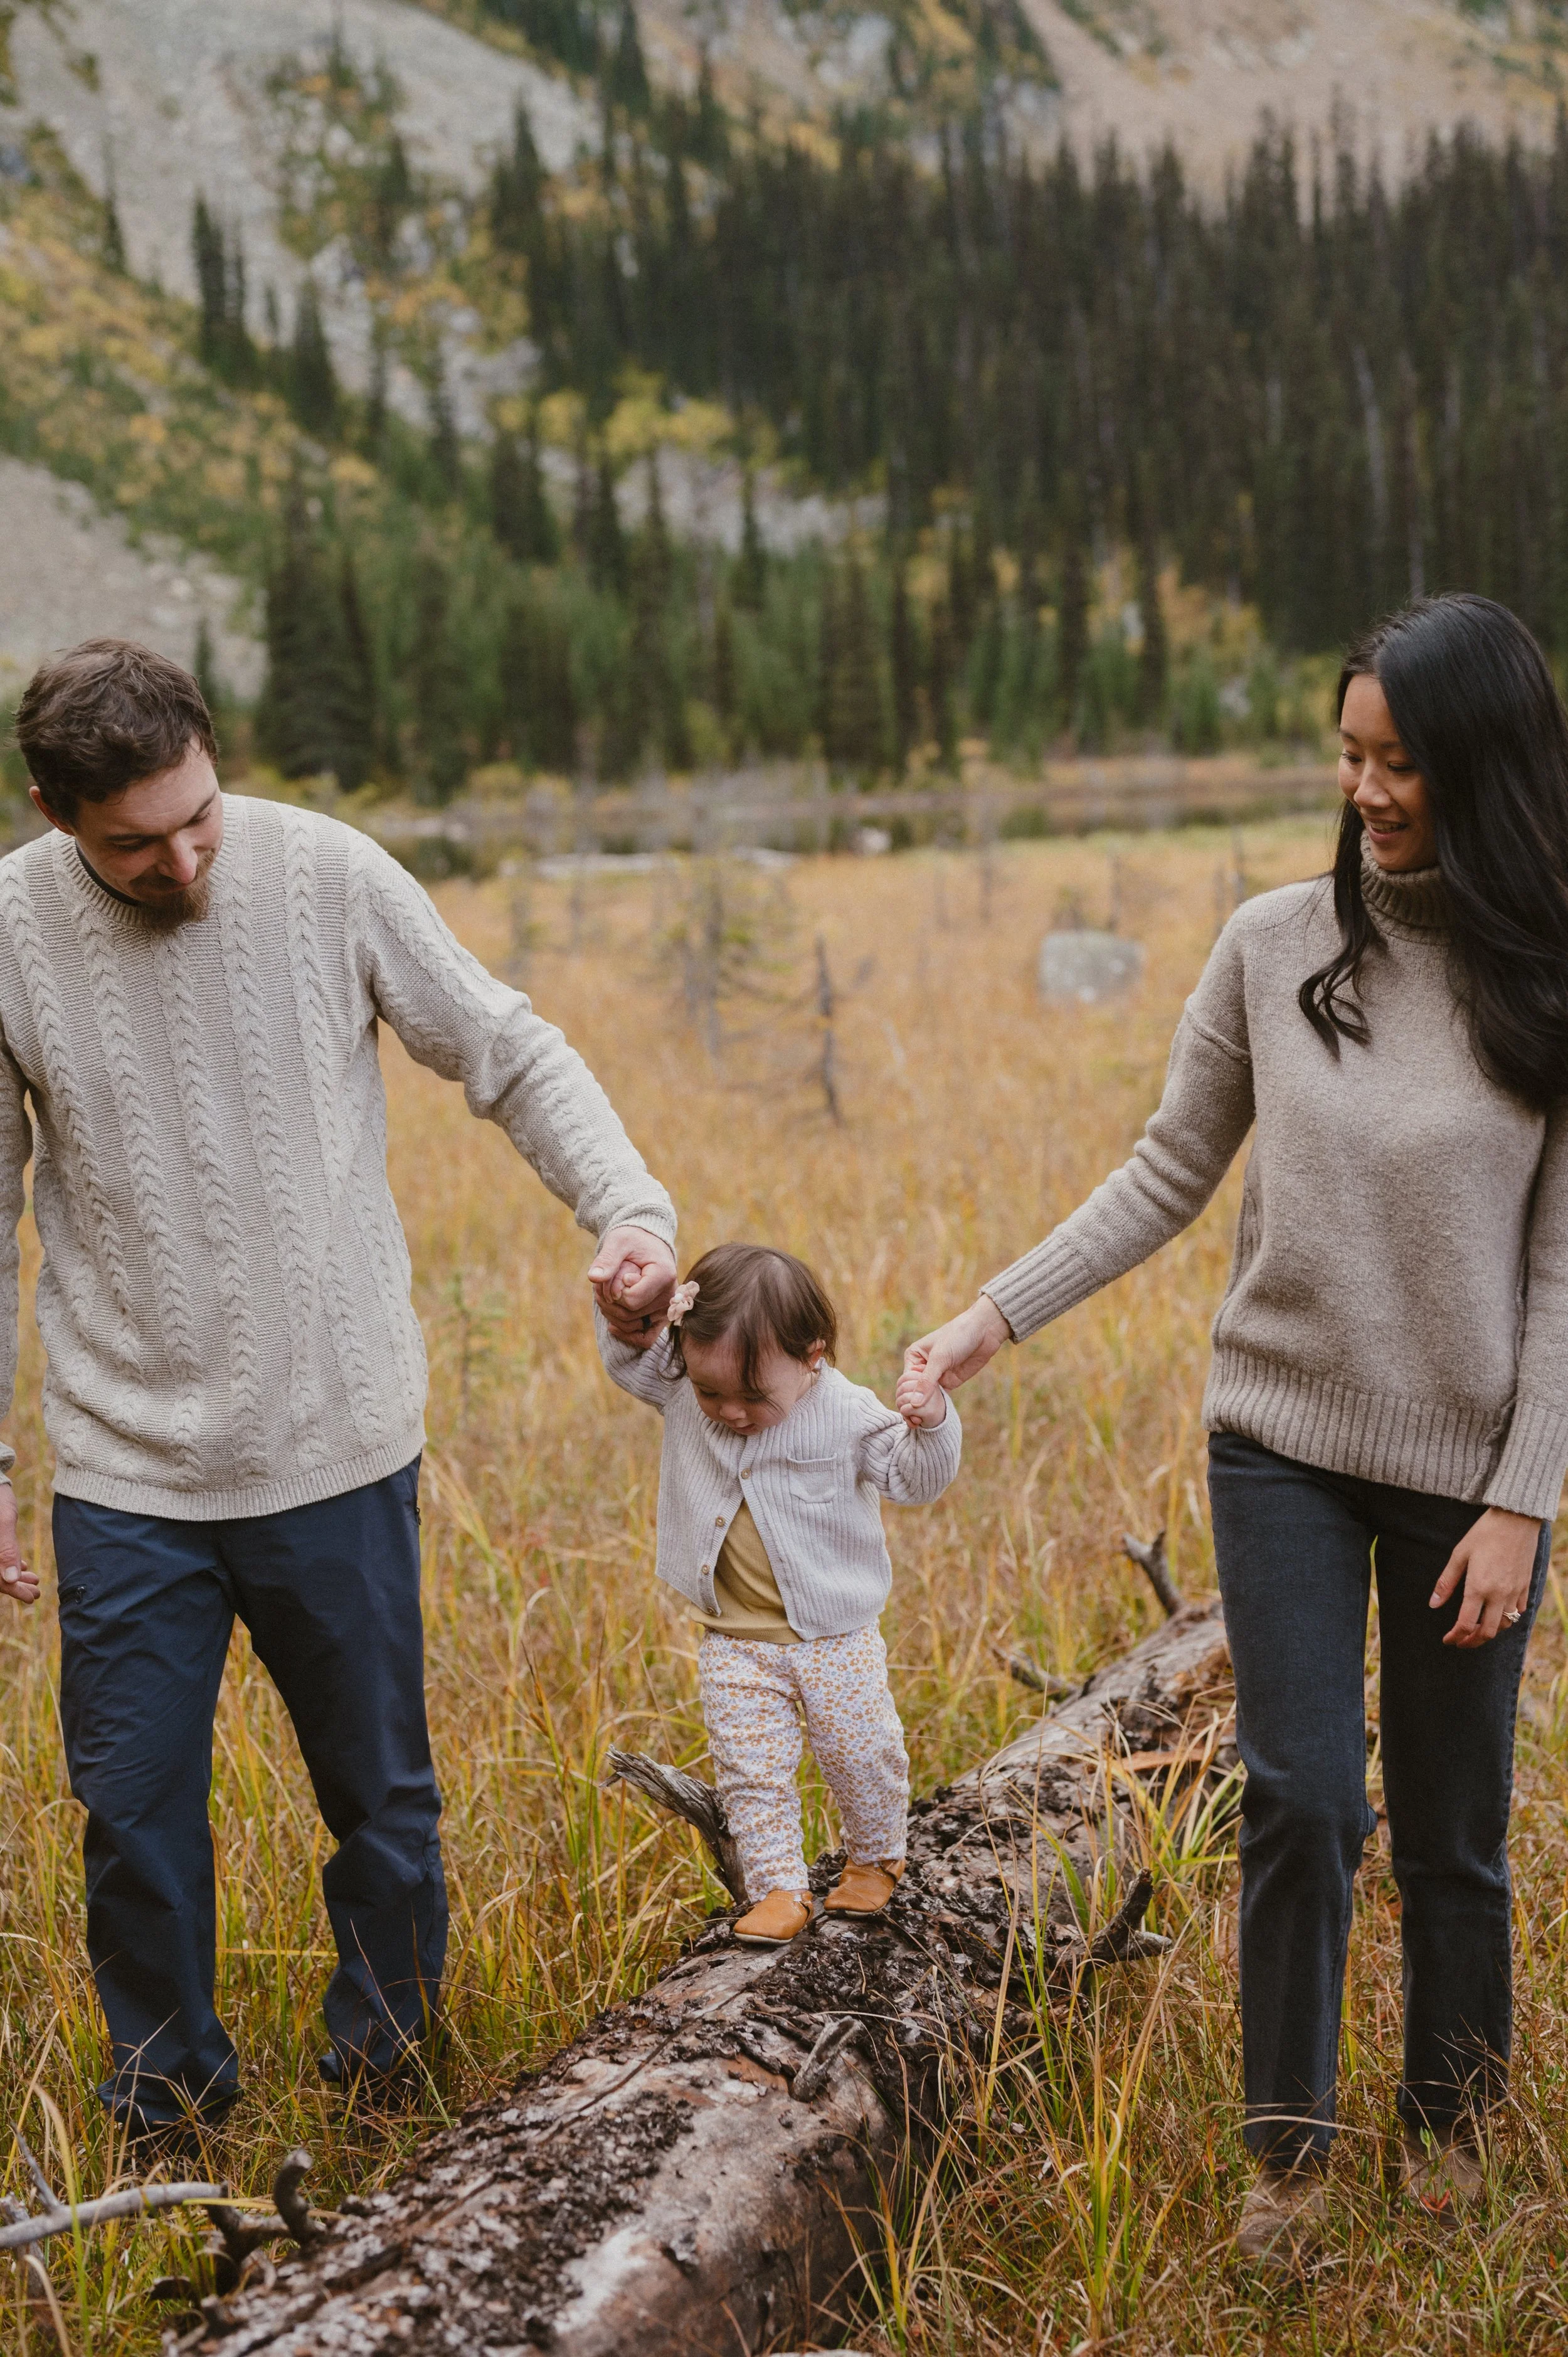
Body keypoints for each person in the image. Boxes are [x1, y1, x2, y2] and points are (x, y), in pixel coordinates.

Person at [898, 592, 1568, 2264]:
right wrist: (994, 1311)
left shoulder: (1545, 974)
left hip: (1468, 1474)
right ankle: (1287, 2160)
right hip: (1277, 1437)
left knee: (1453, 1821)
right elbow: (1161, 1169)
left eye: (1398, 760)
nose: (1364, 789)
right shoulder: (1276, 947)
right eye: (1346, 753)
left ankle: (1449, 2129)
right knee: (1297, 1794)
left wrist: (1522, 1498)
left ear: (1480, 765)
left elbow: (1563, 1272)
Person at [0, 638, 677, 2142]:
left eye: (200, 816)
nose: (181, 858)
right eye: (134, 839)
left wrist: (625, 1209)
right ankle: (169, 2105)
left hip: (336, 1435)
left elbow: (508, 1047)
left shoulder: (326, 870)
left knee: (380, 1799)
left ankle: (385, 2080)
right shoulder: (7, 931)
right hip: (125, 1468)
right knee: (134, 1820)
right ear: (53, 808)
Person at [598, 1242, 960, 1944]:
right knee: (750, 1771)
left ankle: (876, 1853)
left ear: (813, 1354)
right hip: (734, 1637)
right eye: (712, 1393)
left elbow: (917, 1480)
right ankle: (776, 1885)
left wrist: (935, 1420)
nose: (730, 1412)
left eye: (753, 1396)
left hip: (836, 1635)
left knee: (862, 1753)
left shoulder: (848, 1411)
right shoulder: (682, 1390)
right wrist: (622, 1300)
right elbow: (627, 1355)